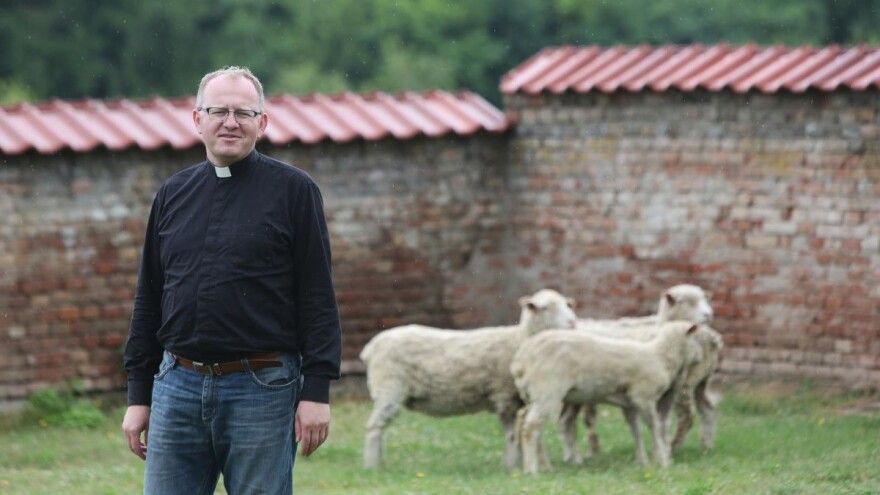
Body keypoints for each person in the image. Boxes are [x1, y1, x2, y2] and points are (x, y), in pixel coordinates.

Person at [121, 66, 342, 494]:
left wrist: (316, 390)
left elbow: (317, 296)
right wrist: (138, 395)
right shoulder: (172, 194)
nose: (230, 122)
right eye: (218, 110)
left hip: (262, 386)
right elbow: (149, 296)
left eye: (243, 112)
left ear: (263, 123)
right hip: (176, 385)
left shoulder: (295, 191)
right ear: (196, 119)